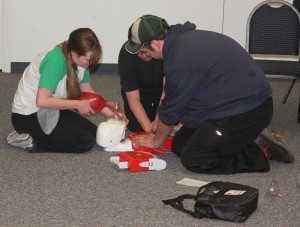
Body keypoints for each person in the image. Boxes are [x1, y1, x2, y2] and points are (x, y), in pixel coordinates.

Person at [125, 15, 294, 174]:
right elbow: (182, 98)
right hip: (229, 104)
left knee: (194, 158)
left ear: (155, 43)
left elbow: (171, 109)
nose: (147, 56)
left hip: (249, 109)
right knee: (180, 144)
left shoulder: (180, 58)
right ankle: (246, 137)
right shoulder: (184, 41)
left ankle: (259, 155)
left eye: (146, 51)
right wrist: (166, 123)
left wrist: (156, 141)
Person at [8, 28, 124, 153]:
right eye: (89, 60)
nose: (91, 64)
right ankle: (31, 141)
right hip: (28, 116)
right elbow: (41, 101)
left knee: (95, 134)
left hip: (51, 109)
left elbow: (88, 93)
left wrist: (112, 115)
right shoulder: (56, 62)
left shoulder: (81, 63)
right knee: (84, 142)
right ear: (75, 53)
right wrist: (78, 104)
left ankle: (40, 136)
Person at [118, 39, 164, 133]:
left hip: (162, 92)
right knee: (136, 127)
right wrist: (149, 129)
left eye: (144, 51)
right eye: (138, 53)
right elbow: (133, 99)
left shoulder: (165, 51)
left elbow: (168, 90)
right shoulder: (126, 54)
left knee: (171, 124)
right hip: (139, 93)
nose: (143, 55)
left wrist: (158, 120)